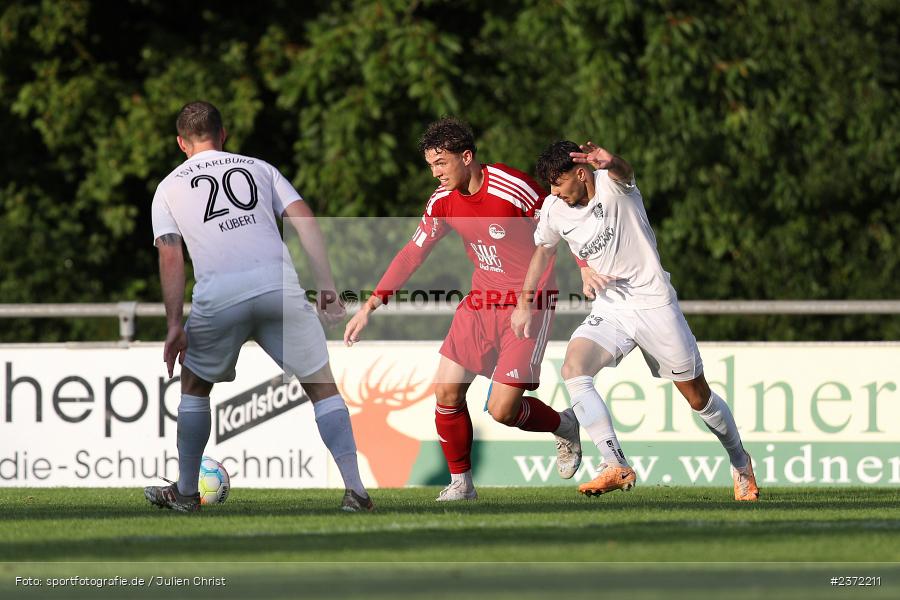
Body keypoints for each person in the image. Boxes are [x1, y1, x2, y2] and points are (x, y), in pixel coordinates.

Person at [144, 101, 373, 512]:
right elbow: (304, 219)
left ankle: (184, 493)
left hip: (220, 295)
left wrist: (175, 323)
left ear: (181, 143)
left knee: (195, 388)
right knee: (322, 387)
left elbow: (171, 256)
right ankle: (356, 491)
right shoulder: (259, 168)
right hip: (277, 287)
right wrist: (326, 287)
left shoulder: (168, 187)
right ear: (223, 134)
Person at [343, 117, 582, 501]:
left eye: (441, 163)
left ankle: (564, 425)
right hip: (481, 302)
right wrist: (371, 304)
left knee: (504, 410)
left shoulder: (513, 187)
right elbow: (412, 254)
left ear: (466, 157)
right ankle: (461, 484)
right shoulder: (442, 201)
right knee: (447, 392)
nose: (435, 173)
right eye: (431, 166)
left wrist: (582, 271)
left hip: (530, 303)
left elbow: (561, 226)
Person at [513, 140, 759, 501]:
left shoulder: (613, 185)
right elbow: (545, 249)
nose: (553, 193)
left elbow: (625, 173)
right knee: (573, 368)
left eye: (558, 183)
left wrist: (614, 161)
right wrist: (525, 300)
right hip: (612, 309)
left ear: (581, 174)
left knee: (698, 399)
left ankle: (740, 463)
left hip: (655, 305)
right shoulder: (555, 208)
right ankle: (615, 464)